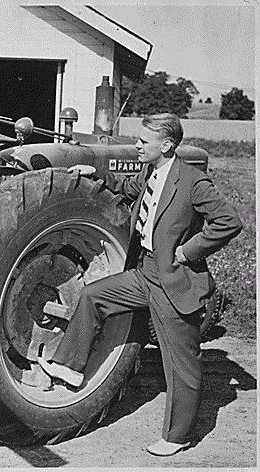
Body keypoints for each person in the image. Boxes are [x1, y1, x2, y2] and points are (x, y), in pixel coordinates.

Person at [37, 113, 242, 457]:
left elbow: (228, 221)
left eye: (143, 142)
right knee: (93, 296)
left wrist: (189, 250)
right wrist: (94, 173)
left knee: (181, 365)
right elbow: (124, 188)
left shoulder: (192, 181)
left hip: (175, 281)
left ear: (166, 145)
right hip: (144, 272)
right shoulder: (150, 172)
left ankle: (178, 437)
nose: (136, 145)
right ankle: (70, 367)